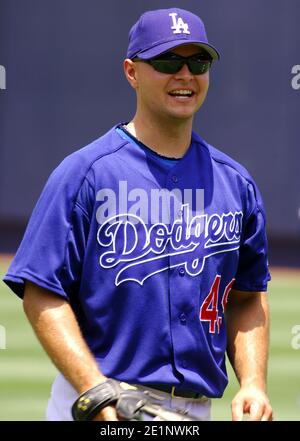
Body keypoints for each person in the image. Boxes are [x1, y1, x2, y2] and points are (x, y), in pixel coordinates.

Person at [3, 7, 273, 421]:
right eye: (168, 61)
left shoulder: (235, 183)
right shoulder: (85, 173)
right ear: (132, 72)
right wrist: (93, 391)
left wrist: (253, 383)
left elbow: (247, 297)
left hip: (194, 413)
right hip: (102, 400)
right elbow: (42, 290)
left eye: (197, 61)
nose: (185, 75)